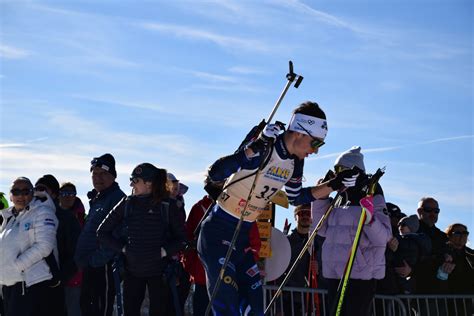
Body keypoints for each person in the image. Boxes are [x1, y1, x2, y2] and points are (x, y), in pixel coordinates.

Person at [198, 101, 360, 315]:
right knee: (227, 306)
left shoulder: (295, 162)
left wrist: (335, 184)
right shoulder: (266, 143)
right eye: (316, 143)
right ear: (300, 133)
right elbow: (216, 174)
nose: (315, 151)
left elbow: (296, 196)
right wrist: (253, 149)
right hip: (219, 230)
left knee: (256, 309)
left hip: (243, 236)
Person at [311, 146, 392, 316]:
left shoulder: (372, 192)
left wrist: (369, 219)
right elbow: (321, 229)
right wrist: (321, 197)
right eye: (335, 171)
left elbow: (383, 237)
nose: (338, 175)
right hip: (335, 275)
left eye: (341, 170)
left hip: (360, 276)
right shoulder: (339, 197)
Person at [97, 163, 187, 316]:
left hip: (160, 274)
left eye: (135, 180)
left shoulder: (167, 206)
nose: (131, 184)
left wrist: (163, 252)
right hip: (132, 272)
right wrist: (124, 249)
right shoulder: (127, 203)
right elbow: (101, 232)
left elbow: (182, 239)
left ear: (149, 183)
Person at [74, 153, 126, 316]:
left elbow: (118, 235)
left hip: (104, 267)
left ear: (112, 176)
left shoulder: (118, 198)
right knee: (87, 308)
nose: (98, 178)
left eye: (102, 174)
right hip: (90, 267)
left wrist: (96, 260)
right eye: (94, 174)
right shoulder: (99, 199)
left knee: (100, 309)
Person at [0, 177, 58, 316]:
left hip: (29, 283)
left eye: (25, 191)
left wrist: (17, 265)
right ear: (10, 196)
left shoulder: (42, 212)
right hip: (8, 283)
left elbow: (45, 246)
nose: (20, 195)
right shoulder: (9, 217)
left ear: (33, 193)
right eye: (16, 191)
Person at [35, 174, 81, 316]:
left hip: (55, 284)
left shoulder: (67, 219)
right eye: (36, 189)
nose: (38, 193)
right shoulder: (28, 215)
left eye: (43, 189)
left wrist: (59, 278)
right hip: (32, 284)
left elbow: (76, 254)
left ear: (54, 194)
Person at [276, 203, 319, 315]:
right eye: (301, 213)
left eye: (308, 213)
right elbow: (278, 268)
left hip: (315, 297)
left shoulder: (319, 241)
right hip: (290, 298)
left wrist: (320, 268)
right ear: (296, 217)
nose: (305, 216)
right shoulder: (286, 242)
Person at [58, 182, 86, 316]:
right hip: (56, 272)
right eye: (64, 193)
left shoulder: (82, 217)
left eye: (71, 193)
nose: (68, 197)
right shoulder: (52, 215)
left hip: (76, 274)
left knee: (73, 309)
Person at [412, 197, 449, 294]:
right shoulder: (410, 232)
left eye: (436, 211)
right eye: (428, 210)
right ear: (419, 211)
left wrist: (450, 259)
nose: (433, 214)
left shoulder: (442, 237)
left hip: (438, 289)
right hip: (414, 288)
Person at [392, 215, 431, 294]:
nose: (400, 227)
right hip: (402, 269)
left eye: (403, 224)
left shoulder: (411, 241)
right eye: (399, 224)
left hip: (407, 268)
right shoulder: (399, 239)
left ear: (411, 227)